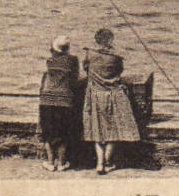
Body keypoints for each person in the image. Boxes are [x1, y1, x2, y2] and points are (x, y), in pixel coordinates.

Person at [81, 27, 142, 174]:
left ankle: (99, 163)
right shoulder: (116, 57)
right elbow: (120, 71)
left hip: (95, 95)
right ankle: (107, 162)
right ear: (110, 40)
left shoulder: (90, 54)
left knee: (97, 130)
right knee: (112, 130)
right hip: (113, 95)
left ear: (96, 40)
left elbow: (86, 68)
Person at [38, 36, 82, 172]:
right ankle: (62, 163)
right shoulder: (73, 60)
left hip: (47, 99)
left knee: (47, 132)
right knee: (64, 132)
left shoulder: (50, 61)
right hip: (65, 100)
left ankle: (50, 162)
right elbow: (75, 79)